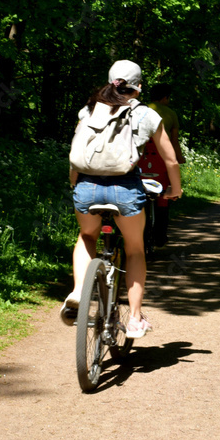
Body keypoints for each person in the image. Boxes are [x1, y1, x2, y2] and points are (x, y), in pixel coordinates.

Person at [62, 60, 182, 338]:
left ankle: (79, 291)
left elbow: (77, 148)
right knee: (135, 250)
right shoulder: (146, 115)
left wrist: (74, 181)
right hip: (125, 188)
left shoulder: (90, 109)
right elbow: (170, 160)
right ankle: (135, 319)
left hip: (87, 186)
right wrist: (174, 189)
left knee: (86, 236)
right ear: (138, 86)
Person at [140, 84, 185, 247]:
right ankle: (160, 235)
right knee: (165, 193)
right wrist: (179, 159)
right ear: (165, 97)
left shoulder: (141, 110)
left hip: (141, 158)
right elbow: (173, 142)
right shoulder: (171, 114)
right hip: (161, 158)